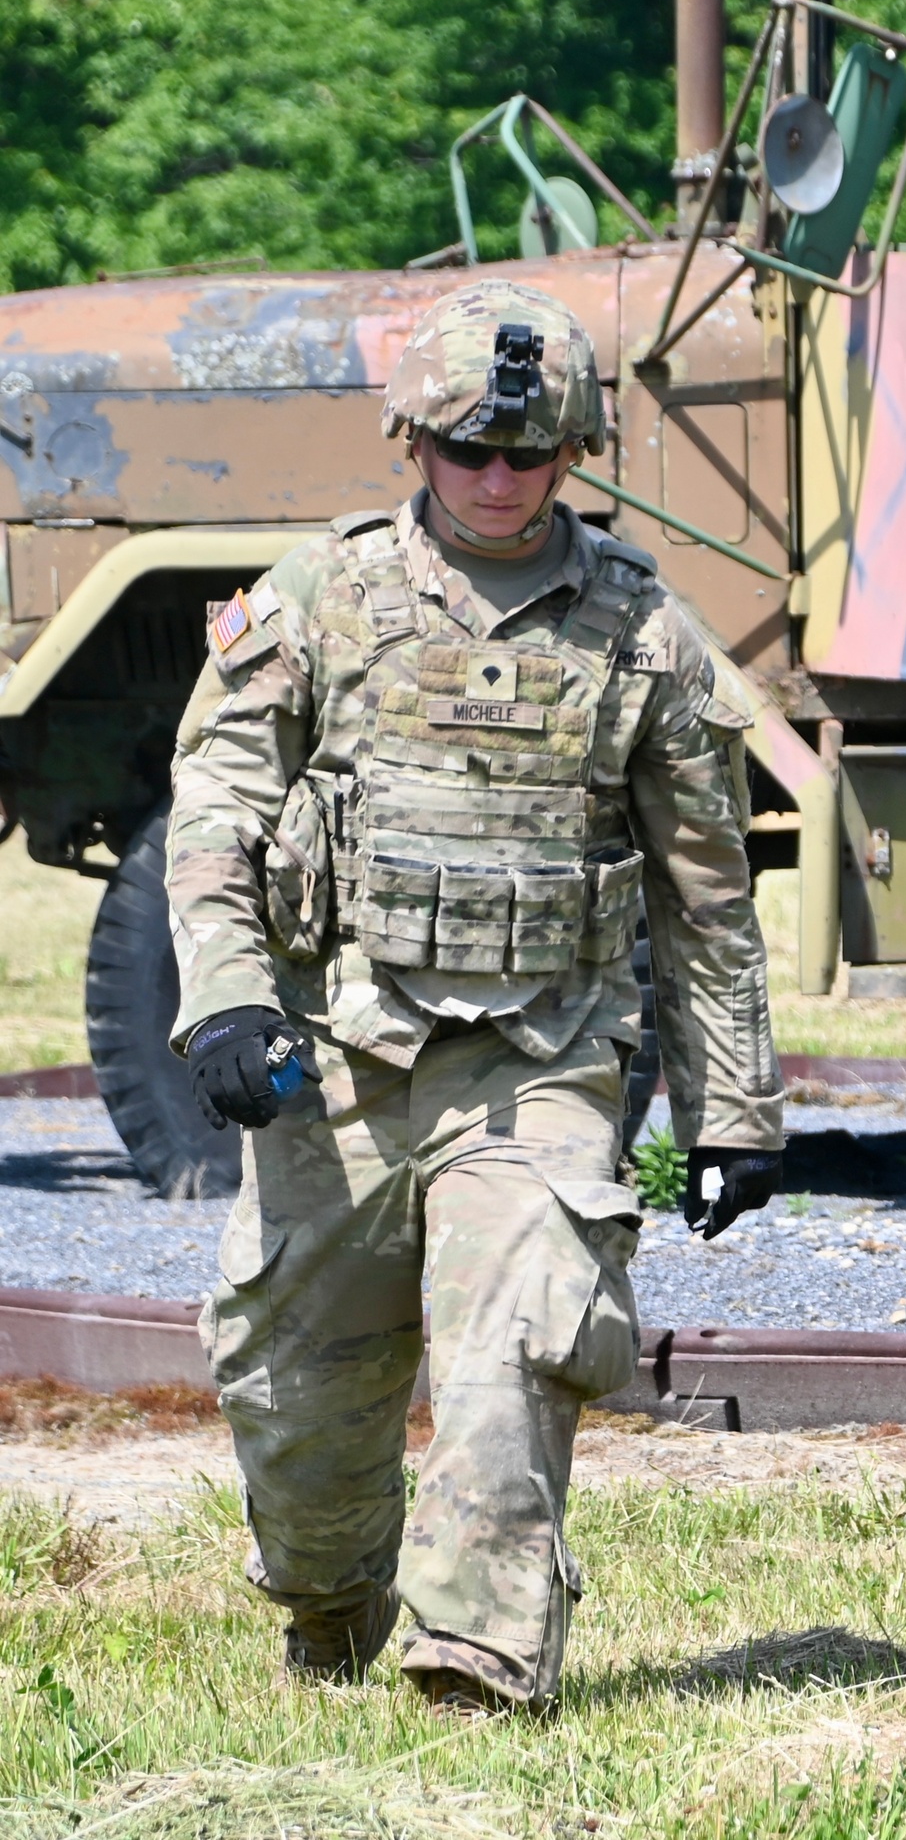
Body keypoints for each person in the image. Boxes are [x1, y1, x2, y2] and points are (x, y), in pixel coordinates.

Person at [166, 278, 784, 1718]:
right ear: (414, 444)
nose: (498, 479)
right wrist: (228, 1000)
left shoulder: (643, 633)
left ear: (573, 454)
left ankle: (479, 1672)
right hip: (341, 1055)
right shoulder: (324, 597)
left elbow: (708, 892)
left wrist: (733, 1109)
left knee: (518, 1359)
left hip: (543, 1060)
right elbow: (217, 807)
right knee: (294, 1405)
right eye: (467, 450)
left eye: (531, 454)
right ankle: (333, 1605)